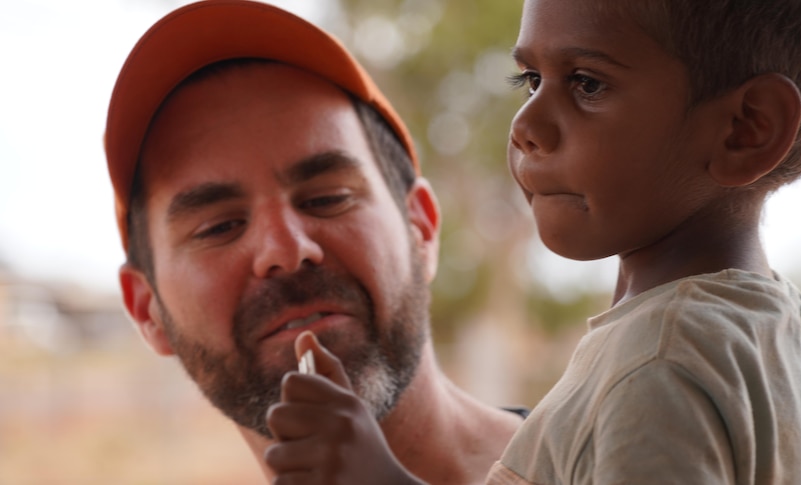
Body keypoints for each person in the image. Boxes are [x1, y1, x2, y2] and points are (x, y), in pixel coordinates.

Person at [103, 1, 524, 483]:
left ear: (421, 229)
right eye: (219, 227)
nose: (285, 250)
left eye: (328, 198)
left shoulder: (614, 452)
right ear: (147, 309)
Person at [486, 0, 801, 483]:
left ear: (746, 130)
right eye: (532, 81)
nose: (524, 128)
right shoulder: (777, 323)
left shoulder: (660, 365)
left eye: (587, 83)